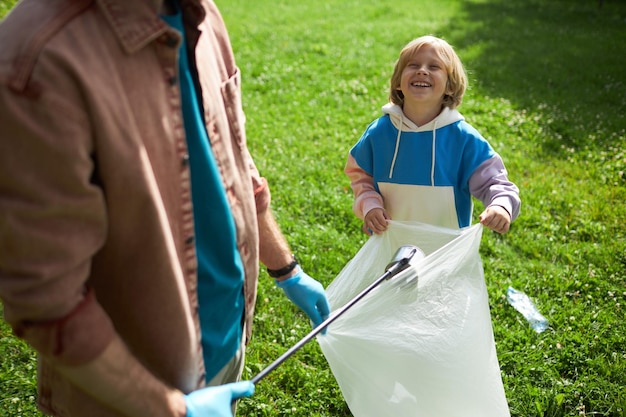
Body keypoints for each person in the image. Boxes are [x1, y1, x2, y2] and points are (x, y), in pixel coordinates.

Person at [0, 0, 330, 416]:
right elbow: (47, 301)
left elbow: (233, 156)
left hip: (226, 346)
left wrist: (287, 270)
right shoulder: (38, 59)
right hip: (131, 396)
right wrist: (172, 408)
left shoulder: (203, 13)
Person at [345, 35, 521, 235]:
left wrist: (501, 205)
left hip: (445, 250)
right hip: (389, 243)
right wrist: (370, 205)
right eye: (413, 65)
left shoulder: (463, 139)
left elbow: (495, 182)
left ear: (450, 85)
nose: (422, 71)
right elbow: (360, 175)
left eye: (434, 67)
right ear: (398, 82)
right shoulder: (379, 133)